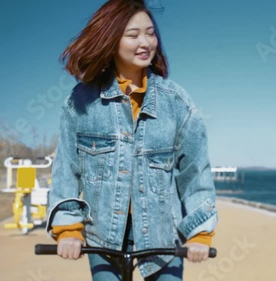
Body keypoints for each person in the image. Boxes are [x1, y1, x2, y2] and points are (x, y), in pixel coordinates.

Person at [46, 0, 218, 280]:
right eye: (133, 34)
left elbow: (195, 173)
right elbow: (66, 170)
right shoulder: (80, 102)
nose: (145, 42)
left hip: (164, 239)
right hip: (103, 239)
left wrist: (200, 233)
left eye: (150, 33)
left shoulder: (177, 103)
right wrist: (68, 229)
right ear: (111, 40)